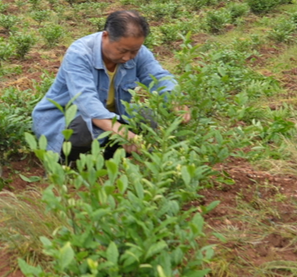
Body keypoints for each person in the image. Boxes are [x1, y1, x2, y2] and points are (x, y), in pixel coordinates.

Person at [32, 10, 186, 163]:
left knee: (152, 118)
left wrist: (175, 100)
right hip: (68, 119)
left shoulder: (138, 53)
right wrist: (122, 132)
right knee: (84, 129)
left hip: (113, 118)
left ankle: (109, 153)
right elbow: (87, 104)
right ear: (105, 36)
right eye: (122, 51)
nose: (127, 57)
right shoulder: (80, 53)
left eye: (134, 51)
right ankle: (69, 159)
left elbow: (159, 77)